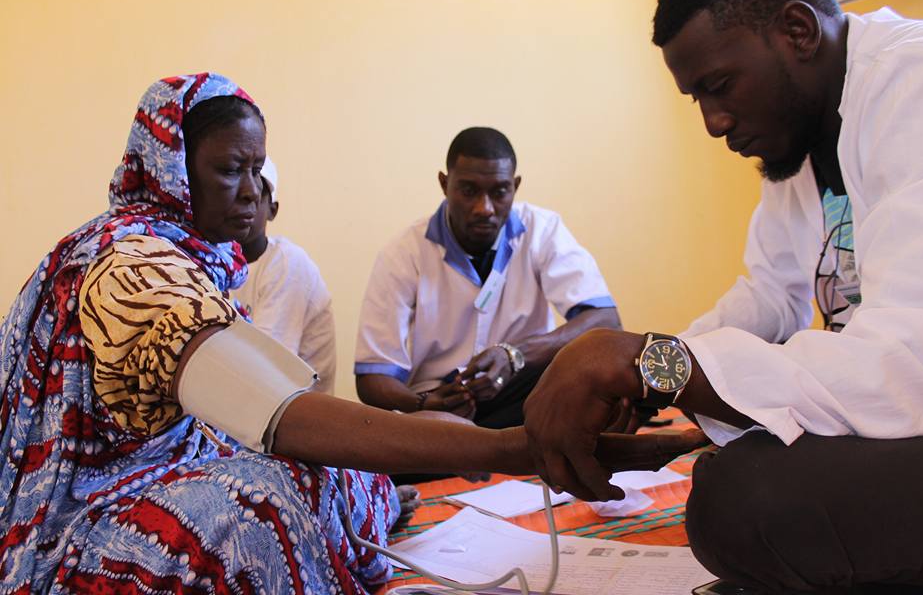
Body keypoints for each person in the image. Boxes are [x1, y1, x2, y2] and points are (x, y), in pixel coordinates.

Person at [0, 73, 703, 593]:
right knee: (260, 501)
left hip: (468, 404)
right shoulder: (136, 269)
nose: (248, 193)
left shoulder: (179, 255)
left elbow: (606, 323)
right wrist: (519, 448)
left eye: (256, 170)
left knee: (334, 474)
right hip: (83, 506)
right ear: (170, 173)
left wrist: (530, 388)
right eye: (226, 171)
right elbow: (283, 413)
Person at [522, 0, 923, 592]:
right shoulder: (810, 133)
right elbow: (767, 297)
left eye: (720, 85)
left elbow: (914, 365)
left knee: (745, 498)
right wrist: (649, 383)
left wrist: (650, 361)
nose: (713, 122)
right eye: (698, 97)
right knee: (733, 465)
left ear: (797, 32)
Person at [354, 127, 622, 428]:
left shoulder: (543, 231)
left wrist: (514, 355)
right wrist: (424, 403)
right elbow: (372, 378)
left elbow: (605, 320)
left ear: (515, 186)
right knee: (404, 442)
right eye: (469, 191)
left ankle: (493, 453)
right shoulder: (403, 253)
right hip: (438, 405)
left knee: (602, 373)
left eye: (499, 192)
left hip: (522, 389)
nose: (485, 208)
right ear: (444, 184)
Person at [233, 156, 337, 393]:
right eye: (237, 192)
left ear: (273, 210)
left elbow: (262, 372)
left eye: (258, 193)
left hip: (294, 420)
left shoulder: (288, 264)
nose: (246, 200)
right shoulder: (215, 263)